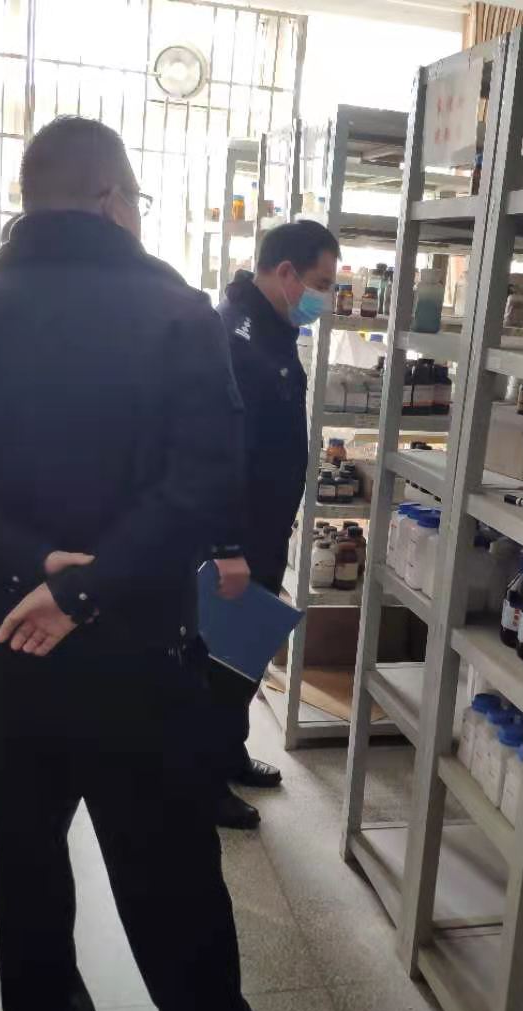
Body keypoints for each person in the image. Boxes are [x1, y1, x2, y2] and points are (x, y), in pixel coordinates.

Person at [0, 117, 257, 1011]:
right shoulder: (179, 317)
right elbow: (205, 485)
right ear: (111, 198)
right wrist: (86, 588)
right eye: (136, 197)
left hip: (8, 643)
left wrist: (31, 565)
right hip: (138, 647)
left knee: (27, 854)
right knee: (167, 860)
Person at [210, 221, 341, 830]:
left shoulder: (272, 326)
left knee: (242, 655)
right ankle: (202, 781)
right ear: (286, 272)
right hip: (241, 533)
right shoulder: (237, 336)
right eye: (320, 283)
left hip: (265, 525)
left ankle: (227, 754)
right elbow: (221, 451)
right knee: (219, 662)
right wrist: (228, 545)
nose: (324, 298)